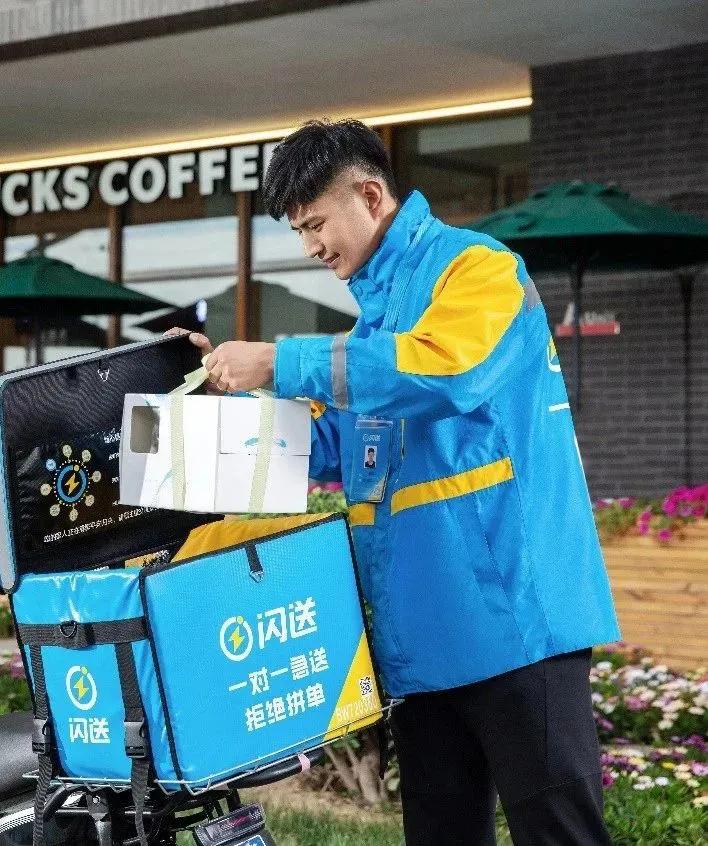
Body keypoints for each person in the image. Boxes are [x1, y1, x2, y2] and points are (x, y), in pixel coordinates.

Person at [175, 119, 619, 845]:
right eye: (299, 232)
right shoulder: (377, 315)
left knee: (560, 835)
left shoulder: (479, 270)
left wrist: (279, 362)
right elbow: (333, 448)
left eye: (315, 224)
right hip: (422, 642)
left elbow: (446, 371)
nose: (312, 247)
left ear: (372, 195)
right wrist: (191, 431)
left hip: (518, 626)